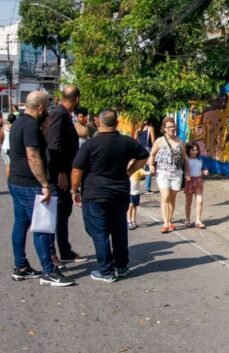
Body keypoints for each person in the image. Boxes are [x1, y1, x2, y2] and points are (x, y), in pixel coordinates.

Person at [71, 109, 149, 282]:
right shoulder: (127, 142)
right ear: (117, 122)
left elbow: (77, 169)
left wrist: (74, 190)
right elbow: (144, 155)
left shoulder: (91, 144)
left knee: (99, 231)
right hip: (119, 192)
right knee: (119, 229)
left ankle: (106, 271)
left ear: (98, 122)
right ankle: (121, 266)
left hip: (95, 194)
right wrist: (129, 171)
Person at [8, 91, 74, 286]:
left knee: (21, 223)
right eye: (48, 106)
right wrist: (45, 184)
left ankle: (21, 267)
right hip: (30, 184)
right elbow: (33, 156)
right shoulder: (29, 125)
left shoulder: (19, 122)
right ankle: (48, 271)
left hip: (16, 182)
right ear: (41, 108)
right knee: (43, 227)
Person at [47, 85, 86, 265]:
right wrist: (61, 172)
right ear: (76, 99)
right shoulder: (59, 115)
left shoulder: (64, 114)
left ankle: (65, 250)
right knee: (55, 216)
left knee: (63, 214)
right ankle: (51, 254)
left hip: (66, 172)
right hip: (59, 174)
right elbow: (54, 146)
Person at [148, 117, 188, 233]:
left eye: (173, 126)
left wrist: (188, 172)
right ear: (164, 129)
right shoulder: (159, 141)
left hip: (177, 173)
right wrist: (151, 165)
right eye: (169, 127)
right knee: (165, 196)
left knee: (172, 198)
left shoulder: (179, 141)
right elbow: (152, 154)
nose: (172, 129)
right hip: (163, 173)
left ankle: (170, 221)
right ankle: (165, 223)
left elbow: (185, 158)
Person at [184, 142, 208, 229]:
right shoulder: (186, 160)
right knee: (188, 202)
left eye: (196, 150)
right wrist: (186, 176)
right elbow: (184, 171)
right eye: (193, 150)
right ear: (188, 150)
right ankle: (187, 220)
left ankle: (198, 220)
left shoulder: (200, 159)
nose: (195, 152)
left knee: (200, 201)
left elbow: (203, 168)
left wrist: (204, 171)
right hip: (189, 182)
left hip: (198, 181)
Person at [135, 120, 155, 193]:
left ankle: (134, 188)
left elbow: (135, 140)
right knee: (148, 169)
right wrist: (154, 152)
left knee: (137, 169)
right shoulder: (150, 128)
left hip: (139, 150)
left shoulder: (138, 130)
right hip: (147, 150)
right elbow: (153, 141)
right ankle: (147, 189)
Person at [127, 164, 149, 230]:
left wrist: (152, 171)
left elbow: (146, 173)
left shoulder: (139, 170)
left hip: (136, 192)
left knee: (134, 206)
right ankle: (129, 221)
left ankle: (133, 221)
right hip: (129, 192)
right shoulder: (127, 171)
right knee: (130, 205)